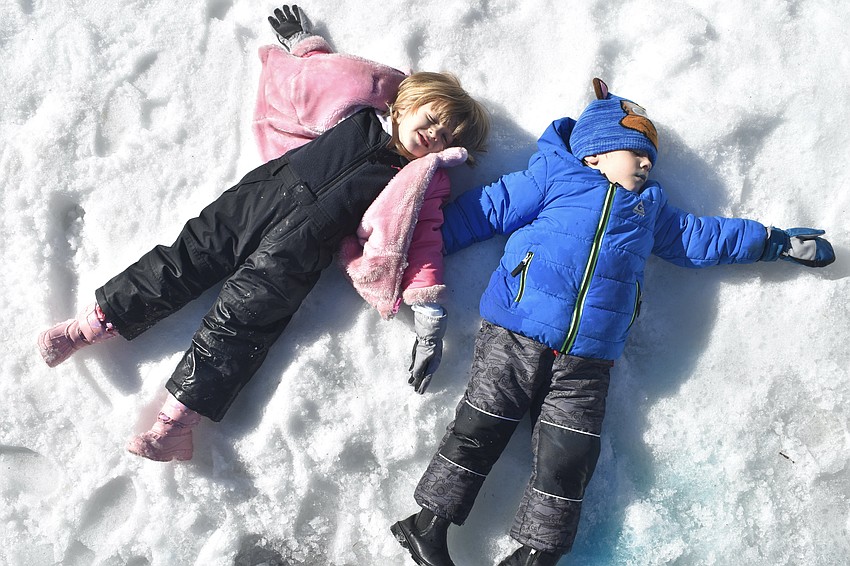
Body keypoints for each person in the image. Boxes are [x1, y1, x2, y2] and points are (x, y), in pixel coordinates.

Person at [391, 78, 835, 566]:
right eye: (636, 152)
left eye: (652, 158)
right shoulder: (552, 178)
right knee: (481, 427)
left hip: (588, 358)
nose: (647, 163)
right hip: (515, 332)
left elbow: (705, 238)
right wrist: (410, 245)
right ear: (594, 155)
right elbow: (484, 211)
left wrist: (773, 242)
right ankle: (427, 524)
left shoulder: (651, 210)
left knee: (570, 456)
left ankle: (537, 552)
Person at [37, 5, 489, 462]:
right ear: (408, 102)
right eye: (431, 119)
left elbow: (423, 238)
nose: (433, 134)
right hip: (258, 198)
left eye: (446, 136)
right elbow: (318, 85)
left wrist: (428, 304)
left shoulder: (421, 181)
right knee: (183, 260)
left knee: (243, 321)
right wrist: (305, 47)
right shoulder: (361, 113)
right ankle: (88, 326)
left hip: (303, 247)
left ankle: (174, 424)